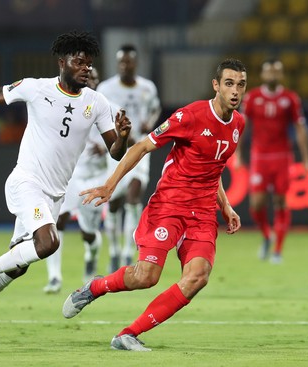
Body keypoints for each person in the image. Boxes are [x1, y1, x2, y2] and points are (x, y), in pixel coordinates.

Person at [0, 30, 131, 343]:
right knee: (48, 243)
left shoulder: (97, 102)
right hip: (26, 181)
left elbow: (116, 152)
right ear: (62, 62)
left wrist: (121, 136)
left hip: (54, 194)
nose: (86, 69)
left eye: (89, 64)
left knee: (17, 268)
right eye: (79, 63)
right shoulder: (36, 88)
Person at [62, 58, 246, 352]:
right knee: (146, 277)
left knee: (197, 278)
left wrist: (225, 206)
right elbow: (141, 146)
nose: (235, 91)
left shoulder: (238, 123)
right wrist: (111, 185)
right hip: (169, 206)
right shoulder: (190, 116)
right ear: (216, 85)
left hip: (202, 215)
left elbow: (215, 167)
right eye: (229, 83)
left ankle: (128, 335)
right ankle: (95, 287)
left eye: (240, 84)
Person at [42, 67, 113, 293]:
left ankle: (91, 255)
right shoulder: (67, 104)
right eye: (86, 77)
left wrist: (107, 147)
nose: (89, 81)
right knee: (58, 221)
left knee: (88, 233)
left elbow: (123, 141)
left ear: (98, 81)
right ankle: (54, 277)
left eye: (93, 78)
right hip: (71, 174)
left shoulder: (107, 107)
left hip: (96, 177)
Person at [236, 58, 308, 264]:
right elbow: (243, 126)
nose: (272, 75)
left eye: (276, 72)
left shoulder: (290, 98)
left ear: (281, 74)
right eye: (269, 72)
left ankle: (278, 250)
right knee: (256, 203)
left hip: (282, 157)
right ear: (262, 75)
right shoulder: (252, 97)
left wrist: (306, 158)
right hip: (259, 156)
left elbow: (299, 128)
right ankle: (266, 235)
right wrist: (237, 153)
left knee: (280, 201)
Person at [96, 44, 161, 272]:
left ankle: (126, 253)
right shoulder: (106, 88)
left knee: (134, 196)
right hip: (117, 151)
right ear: (117, 64)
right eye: (121, 61)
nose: (125, 65)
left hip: (141, 147)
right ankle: (114, 251)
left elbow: (155, 108)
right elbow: (99, 116)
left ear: (136, 63)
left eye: (129, 61)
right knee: (113, 203)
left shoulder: (148, 87)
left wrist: (150, 123)